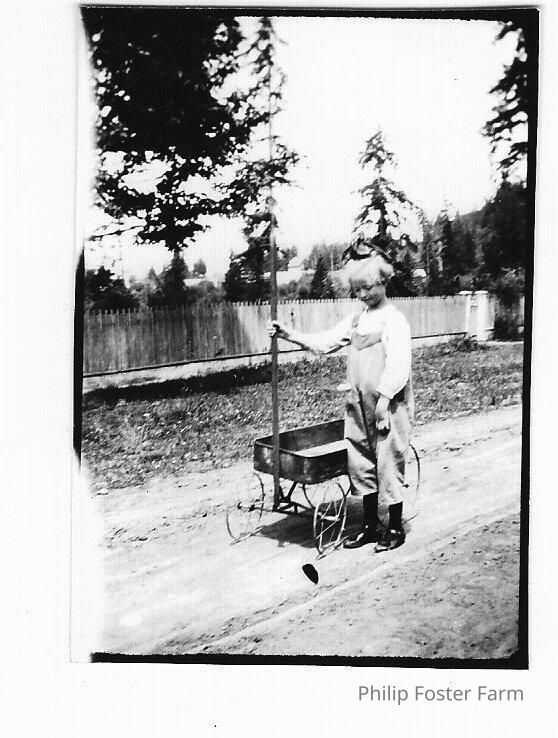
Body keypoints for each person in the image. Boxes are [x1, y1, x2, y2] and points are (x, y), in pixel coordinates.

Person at [268, 251, 413, 552]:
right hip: (358, 403)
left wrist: (384, 402)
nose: (363, 295)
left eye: (368, 288)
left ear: (383, 282)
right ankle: (370, 526)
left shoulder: (394, 320)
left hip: (388, 405)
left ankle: (394, 527)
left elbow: (399, 365)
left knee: (387, 461)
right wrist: (288, 334)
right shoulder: (357, 320)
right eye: (357, 290)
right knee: (360, 462)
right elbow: (324, 343)